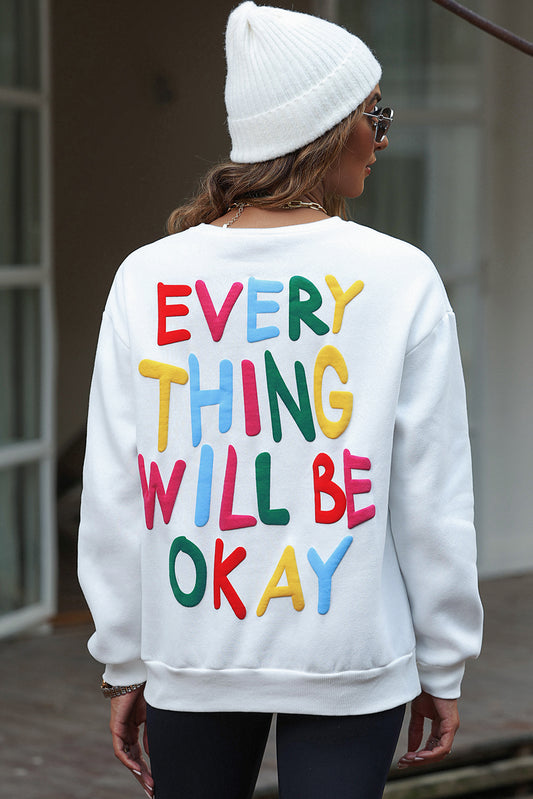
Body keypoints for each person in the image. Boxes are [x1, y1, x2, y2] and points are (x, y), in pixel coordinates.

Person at [78, 3, 483, 798]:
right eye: (375, 114)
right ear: (330, 128)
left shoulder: (148, 277)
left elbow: (116, 489)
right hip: (350, 656)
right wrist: (443, 660)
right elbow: (430, 493)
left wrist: (123, 660)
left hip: (191, 649)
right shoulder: (396, 277)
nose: (384, 137)